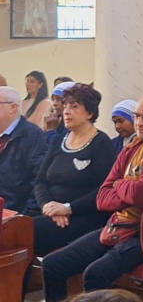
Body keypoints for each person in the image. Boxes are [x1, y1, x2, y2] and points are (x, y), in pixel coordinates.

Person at [41, 93, 143, 302]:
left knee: (95, 274)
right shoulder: (132, 147)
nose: (140, 122)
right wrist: (128, 188)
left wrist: (120, 184)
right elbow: (102, 198)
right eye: (137, 116)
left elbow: (140, 194)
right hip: (116, 227)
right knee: (52, 264)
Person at [31, 84, 116, 257]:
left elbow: (103, 191)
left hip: (84, 216)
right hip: (51, 213)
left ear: (90, 113)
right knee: (14, 229)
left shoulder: (101, 143)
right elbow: (40, 181)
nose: (66, 111)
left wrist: (68, 208)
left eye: (74, 106)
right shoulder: (59, 140)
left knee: (21, 234)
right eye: (66, 106)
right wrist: (48, 206)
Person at [0, 86, 49, 213]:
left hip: (14, 213)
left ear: (13, 108)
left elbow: (39, 179)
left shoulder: (33, 136)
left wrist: (25, 214)